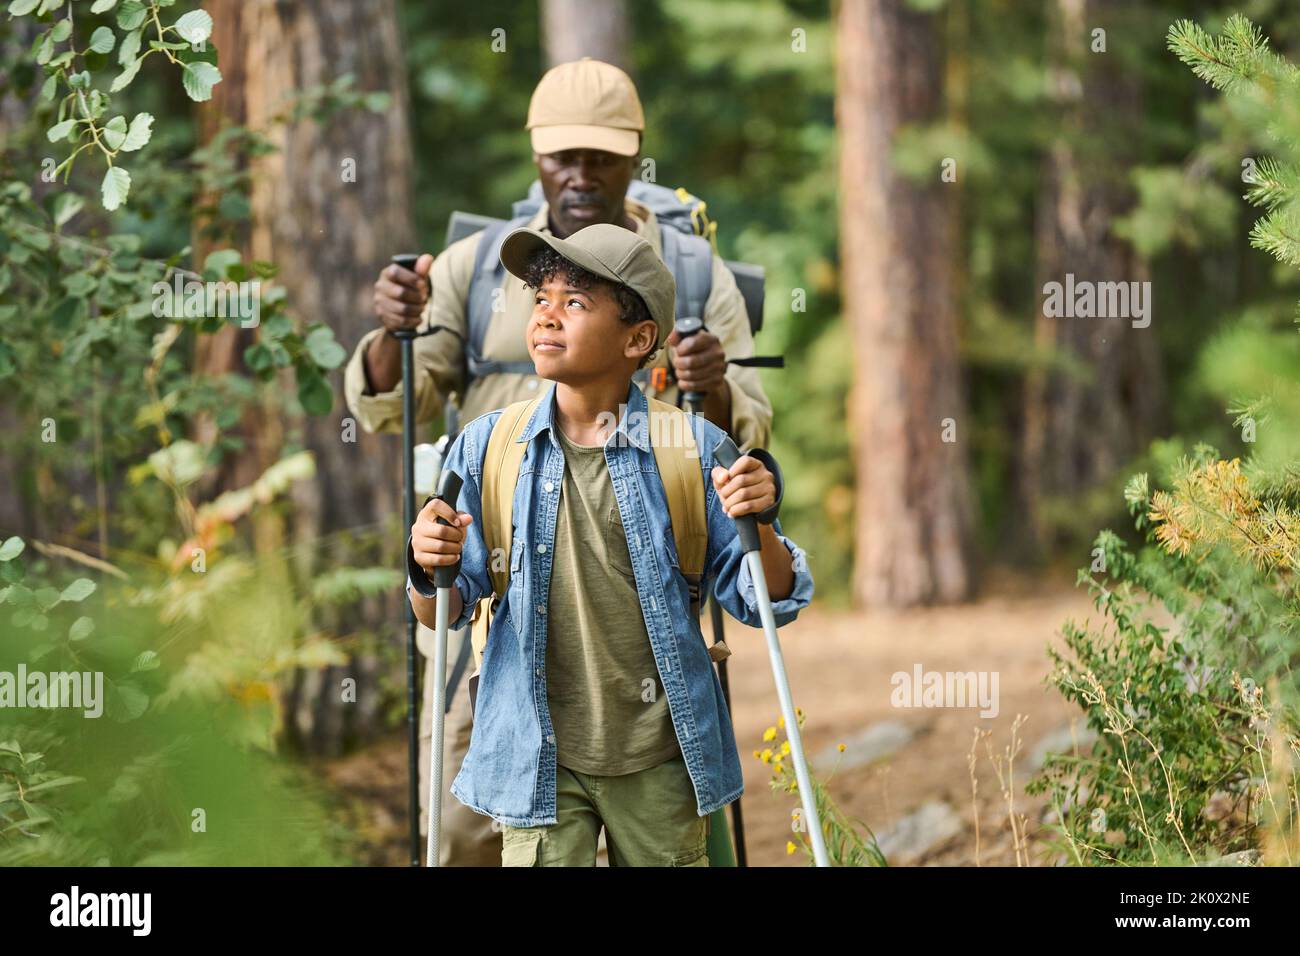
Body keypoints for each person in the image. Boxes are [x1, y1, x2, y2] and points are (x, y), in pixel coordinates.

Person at [343, 58, 774, 865]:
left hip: (638, 577)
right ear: (537, 155)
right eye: (562, 157)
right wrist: (388, 334)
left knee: (658, 810)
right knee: (472, 824)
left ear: (633, 154)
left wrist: (705, 387)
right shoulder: (477, 268)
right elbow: (398, 399)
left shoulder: (687, 270)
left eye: (601, 157)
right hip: (496, 580)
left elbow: (744, 434)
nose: (580, 174)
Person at [407, 223, 813, 866]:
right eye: (541, 298)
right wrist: (428, 566)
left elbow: (767, 600)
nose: (546, 316)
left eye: (574, 302)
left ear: (638, 338)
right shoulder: (488, 448)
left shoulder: (695, 449)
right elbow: (445, 610)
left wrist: (757, 517)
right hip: (538, 756)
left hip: (659, 751)